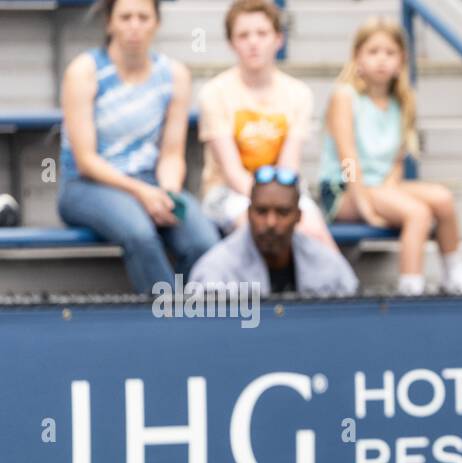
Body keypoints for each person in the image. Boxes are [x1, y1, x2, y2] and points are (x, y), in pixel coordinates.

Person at [319, 18, 462, 296]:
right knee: (417, 213)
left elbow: (396, 162)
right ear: (357, 58)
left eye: (389, 53)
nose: (381, 60)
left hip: (379, 186)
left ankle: (455, 274)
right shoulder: (344, 97)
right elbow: (348, 157)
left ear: (401, 60)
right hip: (346, 189)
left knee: (442, 199)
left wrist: (389, 191)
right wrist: (365, 206)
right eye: (373, 52)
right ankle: (411, 289)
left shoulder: (402, 103)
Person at [58, 0, 220, 294]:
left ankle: (190, 315)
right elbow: (86, 160)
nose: (134, 25)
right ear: (109, 22)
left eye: (143, 17)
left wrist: (168, 193)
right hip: (87, 186)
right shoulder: (84, 71)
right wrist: (142, 193)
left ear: (156, 23)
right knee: (140, 234)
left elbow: (171, 153)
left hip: (151, 184)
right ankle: (169, 323)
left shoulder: (174, 75)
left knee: (203, 241)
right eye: (126, 17)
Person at [197, 0, 335, 250]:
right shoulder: (214, 93)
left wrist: (281, 206)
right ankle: (263, 290)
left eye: (262, 33)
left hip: (283, 187)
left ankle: (341, 289)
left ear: (278, 39)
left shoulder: (298, 93)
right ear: (231, 43)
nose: (253, 42)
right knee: (258, 230)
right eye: (243, 35)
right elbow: (232, 173)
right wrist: (271, 210)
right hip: (228, 192)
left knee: (314, 232)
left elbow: (289, 166)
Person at [189, 166, 358, 295]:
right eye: (262, 211)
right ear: (248, 213)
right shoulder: (216, 270)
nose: (271, 222)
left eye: (282, 212)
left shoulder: (327, 263)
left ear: (298, 216)